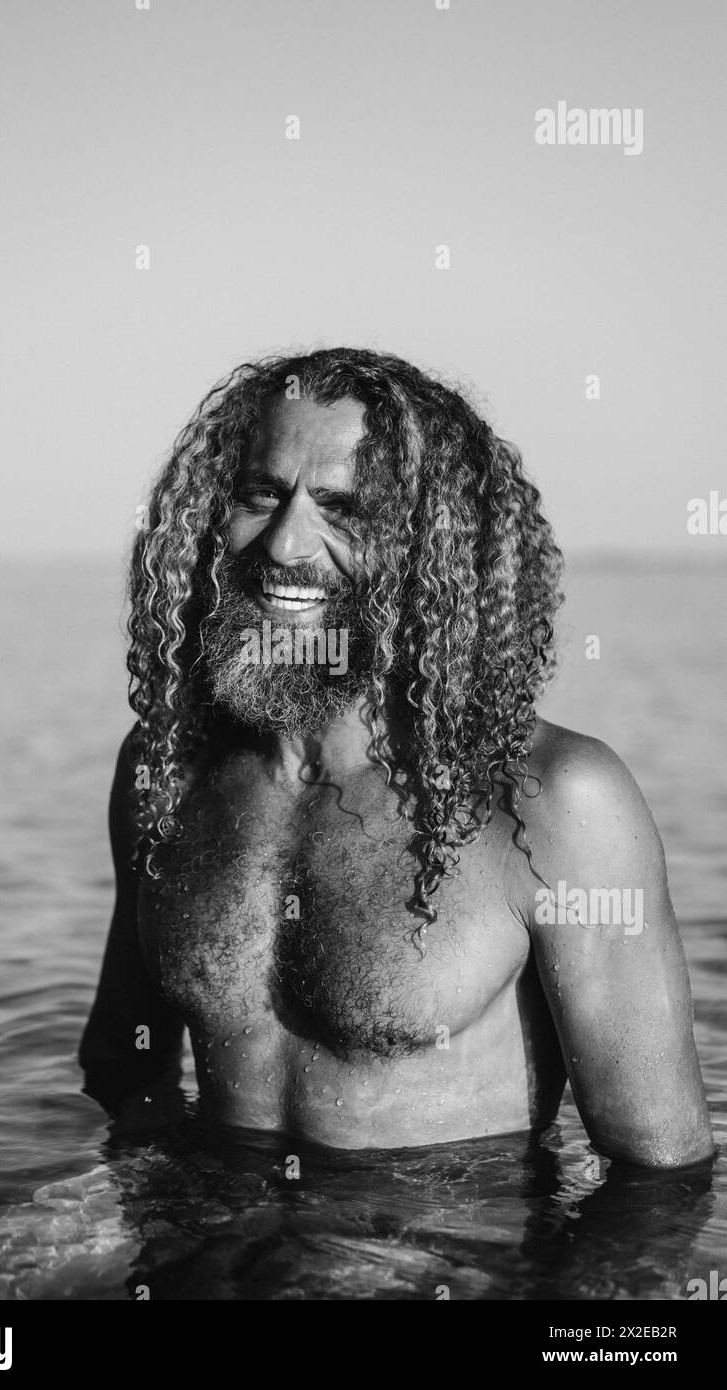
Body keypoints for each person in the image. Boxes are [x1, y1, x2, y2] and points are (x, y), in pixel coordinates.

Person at [80, 347, 713, 1168]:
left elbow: (659, 1178)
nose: (284, 544)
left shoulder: (556, 804)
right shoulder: (165, 766)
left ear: (429, 550)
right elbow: (125, 1073)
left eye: (342, 509)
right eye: (261, 495)